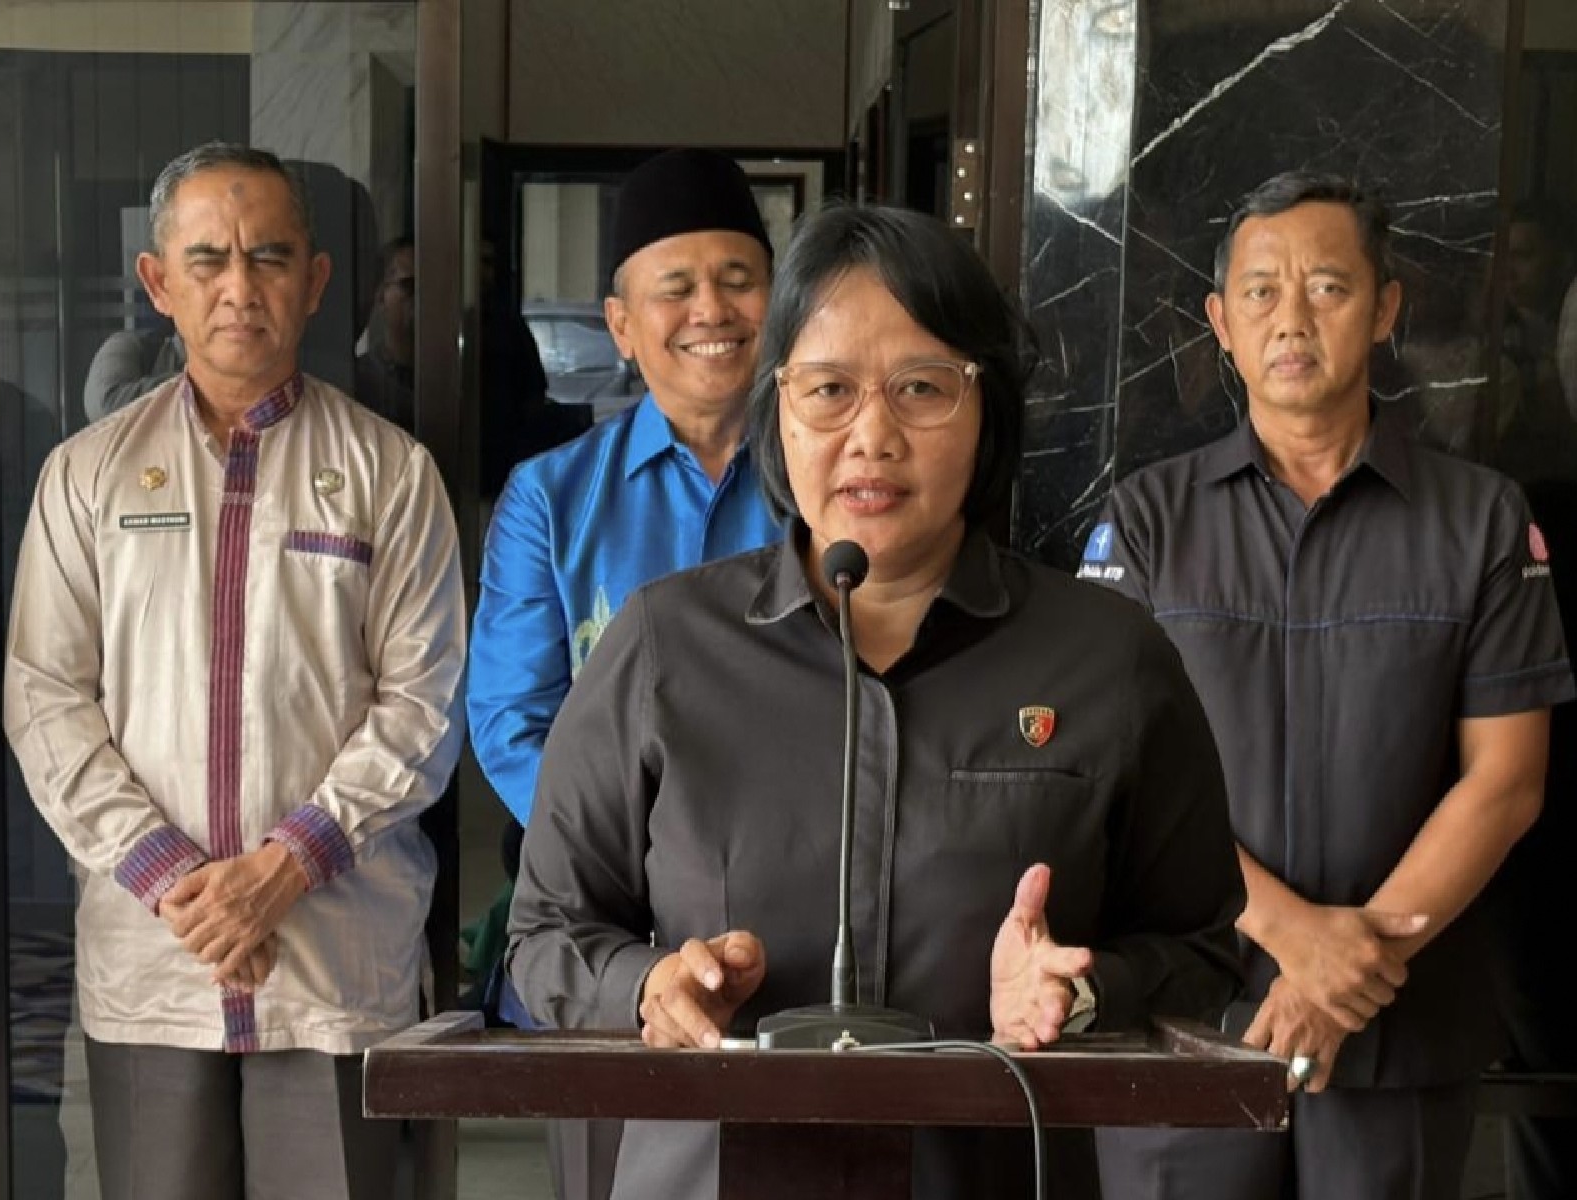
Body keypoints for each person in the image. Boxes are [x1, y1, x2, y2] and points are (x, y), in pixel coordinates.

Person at [506, 203, 1247, 1200]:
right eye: (829, 390)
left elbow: (1200, 943)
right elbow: (547, 934)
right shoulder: (663, 646)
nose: (872, 436)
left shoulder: (1107, 658)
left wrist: (1080, 992)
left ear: (986, 409)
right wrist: (649, 987)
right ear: (778, 407)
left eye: (920, 389)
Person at [1084, 171, 1575, 1200]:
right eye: (1261, 291)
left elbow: (1506, 781)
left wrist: (1347, 977)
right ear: (1220, 323)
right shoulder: (1147, 522)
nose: (1292, 318)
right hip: (1187, 1016)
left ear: (1386, 309)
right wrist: (1297, 938)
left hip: (1401, 1026)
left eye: (1328, 287)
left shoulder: (1480, 520)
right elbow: (1111, 778)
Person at [3, 141, 465, 1200]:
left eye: (269, 257)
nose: (238, 287)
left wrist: (286, 867)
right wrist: (176, 881)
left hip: (331, 962)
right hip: (155, 961)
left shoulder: (390, 475)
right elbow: (44, 698)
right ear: (158, 281)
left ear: (316, 280)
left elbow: (426, 702)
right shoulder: (87, 476)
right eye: (207, 259)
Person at [465, 147, 781, 1199]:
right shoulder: (551, 499)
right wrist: (639, 874)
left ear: (778, 302)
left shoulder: (834, 484)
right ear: (621, 324)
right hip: (605, 941)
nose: (711, 310)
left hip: (793, 937)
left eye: (737, 279)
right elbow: (512, 721)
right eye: (675, 287)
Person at [354, 234, 415, 431]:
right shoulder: (357, 380)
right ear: (381, 296)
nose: (422, 298)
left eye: (430, 286)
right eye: (410, 286)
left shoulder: (454, 378)